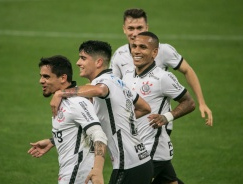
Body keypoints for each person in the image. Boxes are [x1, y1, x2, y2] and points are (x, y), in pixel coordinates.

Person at [50, 40, 154, 184]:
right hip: (142, 161)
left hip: (128, 165)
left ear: (98, 62)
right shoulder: (119, 82)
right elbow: (145, 107)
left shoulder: (104, 82)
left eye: (83, 58)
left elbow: (100, 90)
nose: (78, 62)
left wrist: (61, 92)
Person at [110, 8, 213, 132]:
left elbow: (187, 70)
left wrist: (202, 102)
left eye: (140, 28)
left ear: (147, 27)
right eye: (131, 28)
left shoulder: (163, 51)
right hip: (131, 122)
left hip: (157, 123)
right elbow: (113, 85)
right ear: (124, 29)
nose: (136, 33)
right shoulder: (119, 54)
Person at [122, 31, 196, 183]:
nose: (136, 51)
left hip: (152, 148)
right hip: (136, 146)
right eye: (134, 46)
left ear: (154, 52)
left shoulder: (163, 77)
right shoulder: (128, 75)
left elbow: (189, 102)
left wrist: (166, 117)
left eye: (143, 47)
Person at [27, 55, 108, 184]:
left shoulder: (75, 103)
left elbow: (99, 135)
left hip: (77, 175)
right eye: (41, 76)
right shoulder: (62, 101)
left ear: (63, 78)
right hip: (71, 173)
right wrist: (53, 141)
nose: (41, 81)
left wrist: (97, 170)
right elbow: (78, 130)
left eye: (46, 76)